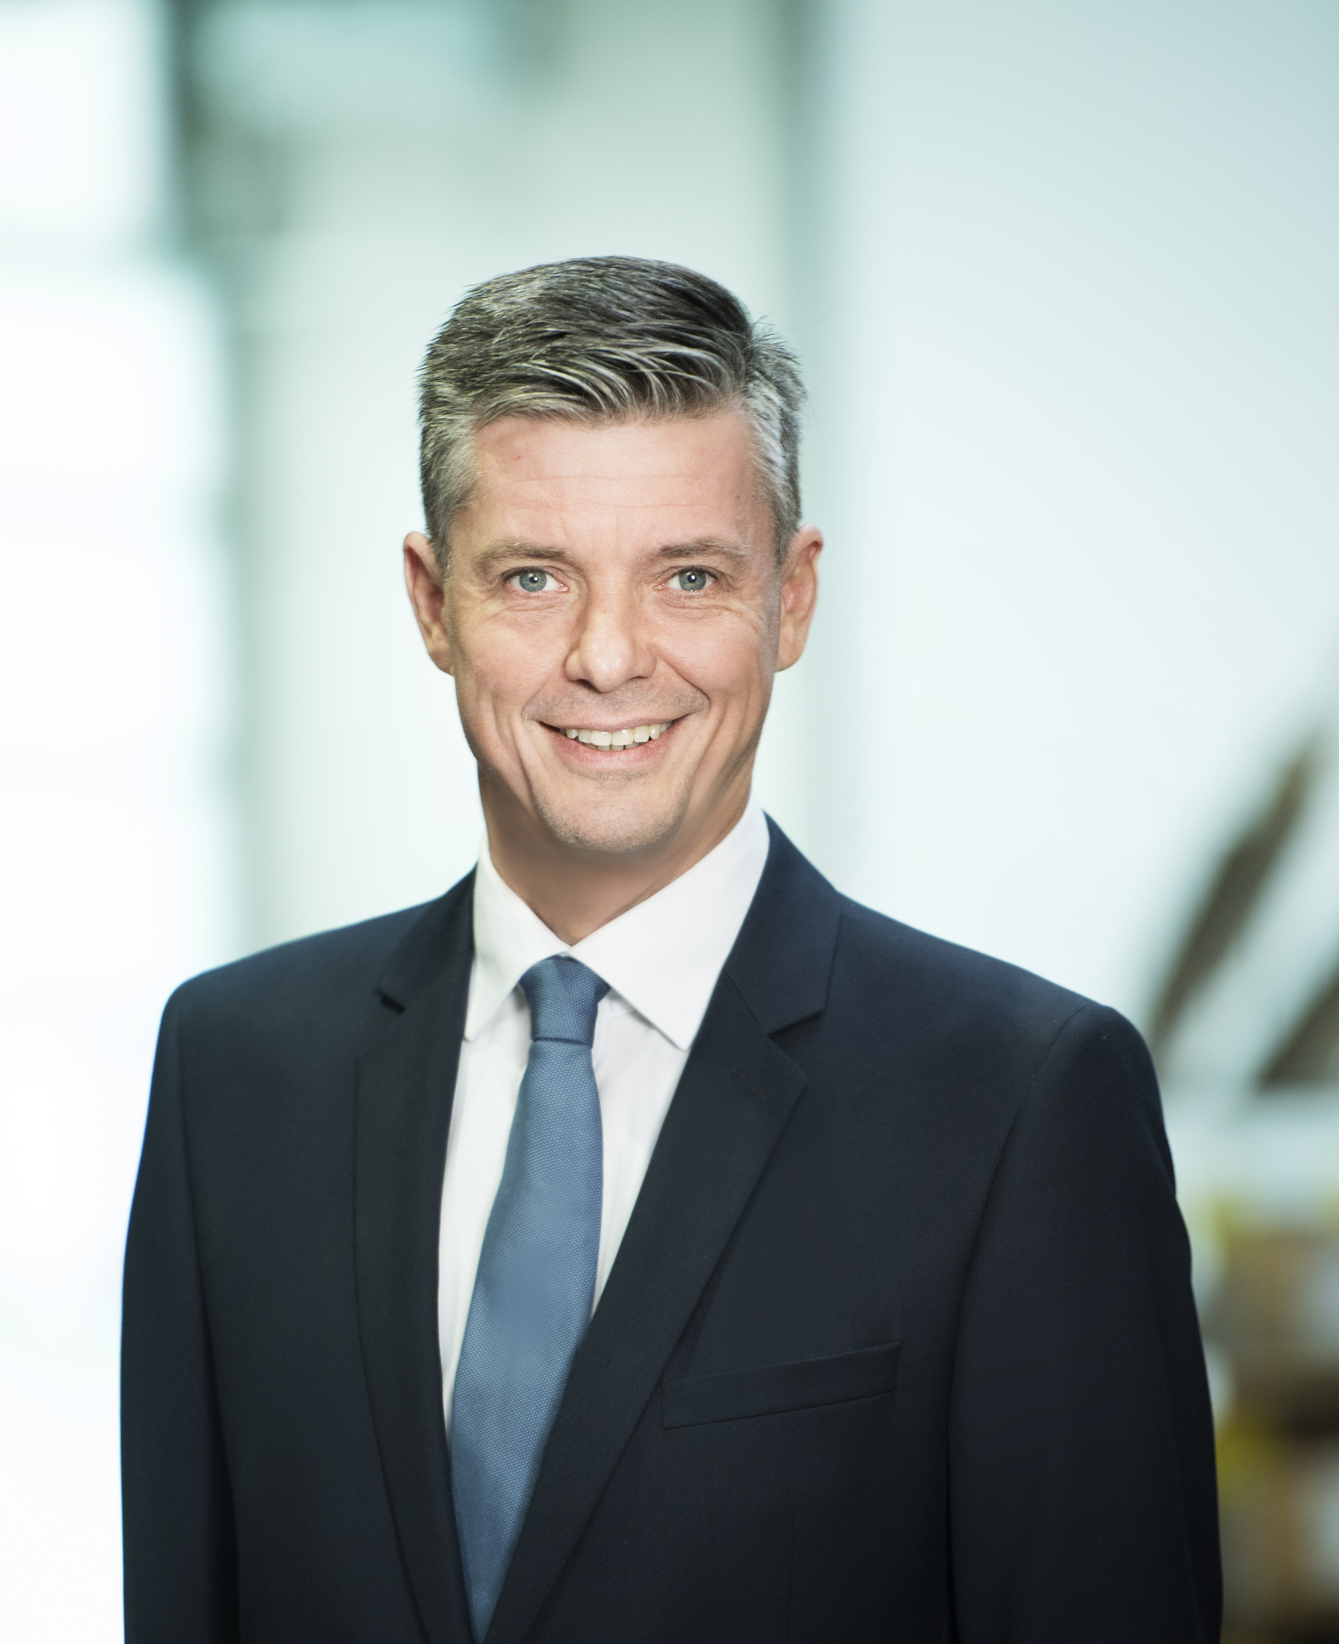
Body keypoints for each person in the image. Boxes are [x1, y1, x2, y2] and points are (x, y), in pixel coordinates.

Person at [120, 256, 1221, 1643]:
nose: (608, 657)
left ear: (791, 599)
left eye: (689, 576)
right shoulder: (232, 1072)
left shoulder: (1020, 1103)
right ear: (432, 602)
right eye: (533, 577)